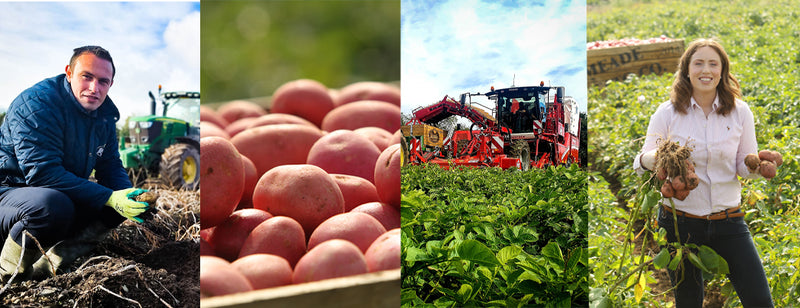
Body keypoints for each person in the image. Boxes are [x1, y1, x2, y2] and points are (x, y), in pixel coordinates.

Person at [634, 38, 777, 307]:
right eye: (698, 63)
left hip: (729, 220)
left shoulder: (740, 112)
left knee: (759, 300)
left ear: (723, 71)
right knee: (688, 301)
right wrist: (661, 158)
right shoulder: (667, 113)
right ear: (686, 69)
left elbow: (742, 165)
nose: (706, 70)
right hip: (680, 222)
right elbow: (640, 161)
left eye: (713, 64)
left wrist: (757, 167)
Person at [0, 46, 149, 282]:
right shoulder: (37, 105)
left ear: (111, 84)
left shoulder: (105, 116)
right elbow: (42, 175)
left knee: (116, 207)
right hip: (10, 192)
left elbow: (110, 164)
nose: (94, 88)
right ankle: (9, 273)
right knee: (52, 206)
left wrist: (129, 196)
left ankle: (49, 267)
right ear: (69, 73)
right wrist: (109, 196)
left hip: (58, 195)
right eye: (86, 77)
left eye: (103, 81)